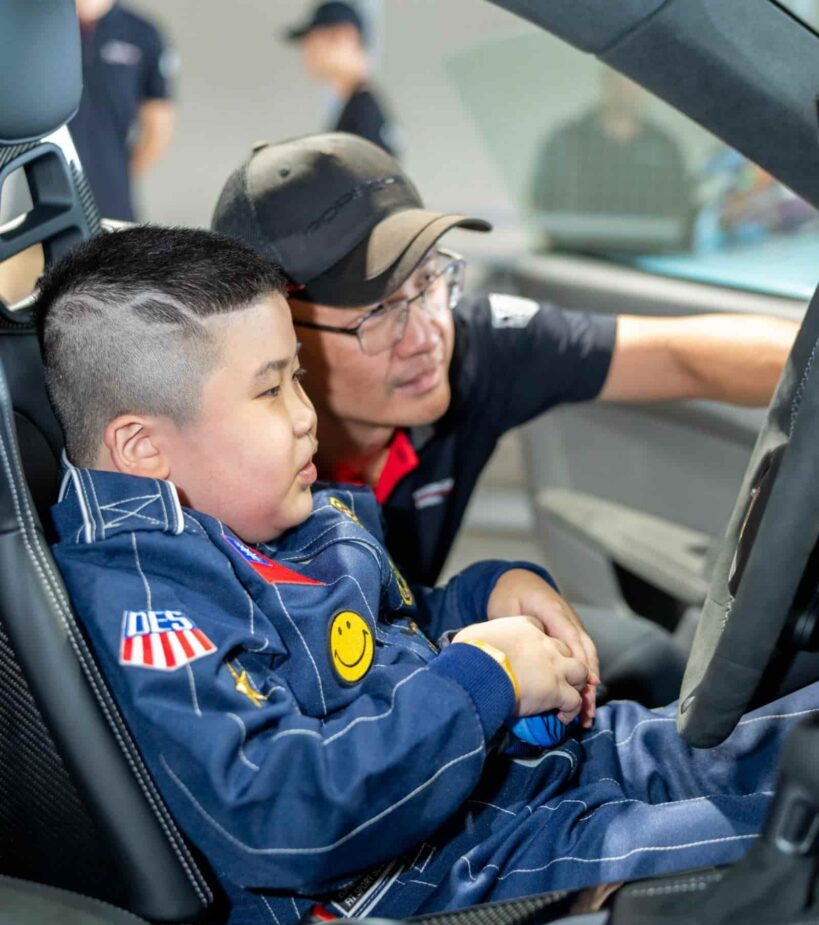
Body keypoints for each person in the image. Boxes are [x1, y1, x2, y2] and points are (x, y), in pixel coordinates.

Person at [39, 225, 819, 925]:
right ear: (142, 447)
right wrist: (488, 675)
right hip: (436, 879)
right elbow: (283, 817)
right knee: (791, 839)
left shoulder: (261, 525)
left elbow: (380, 638)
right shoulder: (148, 600)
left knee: (790, 746)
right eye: (270, 389)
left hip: (510, 787)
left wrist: (482, 596)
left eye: (297, 380)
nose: (308, 417)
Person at [210, 132, 799, 706]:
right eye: (379, 311)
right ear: (277, 331)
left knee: (650, 665)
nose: (426, 336)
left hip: (413, 632)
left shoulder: (470, 350)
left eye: (429, 280)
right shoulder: (213, 467)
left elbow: (683, 357)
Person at [530, 69, 691, 252]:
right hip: (576, 258)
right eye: (621, 80)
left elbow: (680, 210)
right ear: (607, 82)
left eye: (635, 82)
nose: (628, 88)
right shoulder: (567, 139)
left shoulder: (665, 146)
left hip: (647, 264)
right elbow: (539, 202)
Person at [70, 0, 176, 221]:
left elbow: (158, 127)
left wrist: (119, 174)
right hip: (36, 197)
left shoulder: (141, 33)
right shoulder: (34, 26)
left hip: (112, 201)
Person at [285, 1, 398, 156]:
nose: (306, 55)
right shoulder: (356, 106)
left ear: (343, 36)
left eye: (312, 42)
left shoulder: (363, 113)